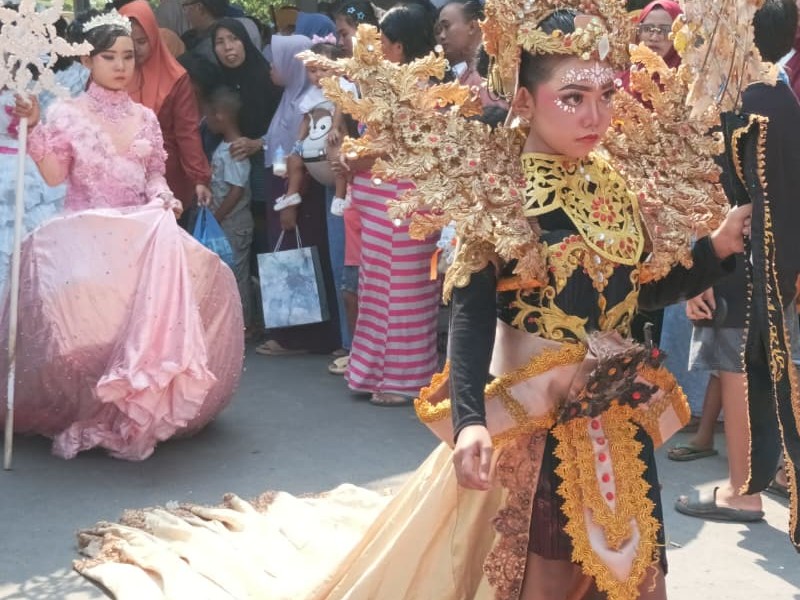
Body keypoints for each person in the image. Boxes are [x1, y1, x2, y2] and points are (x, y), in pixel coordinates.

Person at [72, 5, 755, 598]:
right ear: (524, 99)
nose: (595, 115)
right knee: (544, 577)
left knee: (641, 574)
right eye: (572, 96)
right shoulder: (502, 189)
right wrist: (471, 423)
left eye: (606, 94)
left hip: (614, 413)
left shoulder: (614, 181)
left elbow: (638, 290)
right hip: (536, 422)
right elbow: (471, 313)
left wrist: (713, 253)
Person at [4, 11, 243, 461]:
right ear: (88, 61)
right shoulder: (67, 113)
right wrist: (33, 127)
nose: (120, 65)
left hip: (140, 238)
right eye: (109, 56)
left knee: (184, 294)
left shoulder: (145, 117)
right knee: (96, 334)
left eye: (128, 56)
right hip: (89, 239)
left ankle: (138, 406)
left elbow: (153, 174)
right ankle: (95, 405)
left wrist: (163, 196)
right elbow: (54, 175)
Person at [675, 0, 800, 526]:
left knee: (739, 373)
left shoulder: (741, 104)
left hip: (739, 265)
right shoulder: (783, 99)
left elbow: (721, 195)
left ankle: (742, 492)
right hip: (778, 264)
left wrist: (699, 269)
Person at [343, 3, 442, 406]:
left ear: (399, 47)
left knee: (404, 296)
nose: (376, 49)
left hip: (406, 204)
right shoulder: (393, 86)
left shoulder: (418, 91)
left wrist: (352, 158)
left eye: (381, 41)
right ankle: (373, 373)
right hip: (382, 206)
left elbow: (396, 149)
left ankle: (404, 379)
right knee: (377, 293)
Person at [256, 33, 342, 356]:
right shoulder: (293, 100)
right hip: (287, 188)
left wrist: (293, 197)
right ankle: (294, 334)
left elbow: (304, 155)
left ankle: (309, 336)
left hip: (303, 194)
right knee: (294, 262)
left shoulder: (314, 103)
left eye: (276, 62)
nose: (270, 68)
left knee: (305, 262)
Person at [120, 0, 212, 213]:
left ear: (155, 37)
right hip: (119, 182)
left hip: (167, 180)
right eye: (128, 42)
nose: (135, 49)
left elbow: (187, 132)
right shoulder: (109, 74)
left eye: (142, 41)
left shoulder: (176, 78)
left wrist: (199, 178)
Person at [205, 86, 254, 327]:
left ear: (220, 115)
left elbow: (237, 190)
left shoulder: (235, 149)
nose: (207, 121)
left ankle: (244, 325)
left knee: (237, 275)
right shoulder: (224, 146)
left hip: (234, 223)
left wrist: (216, 217)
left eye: (209, 115)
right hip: (226, 223)